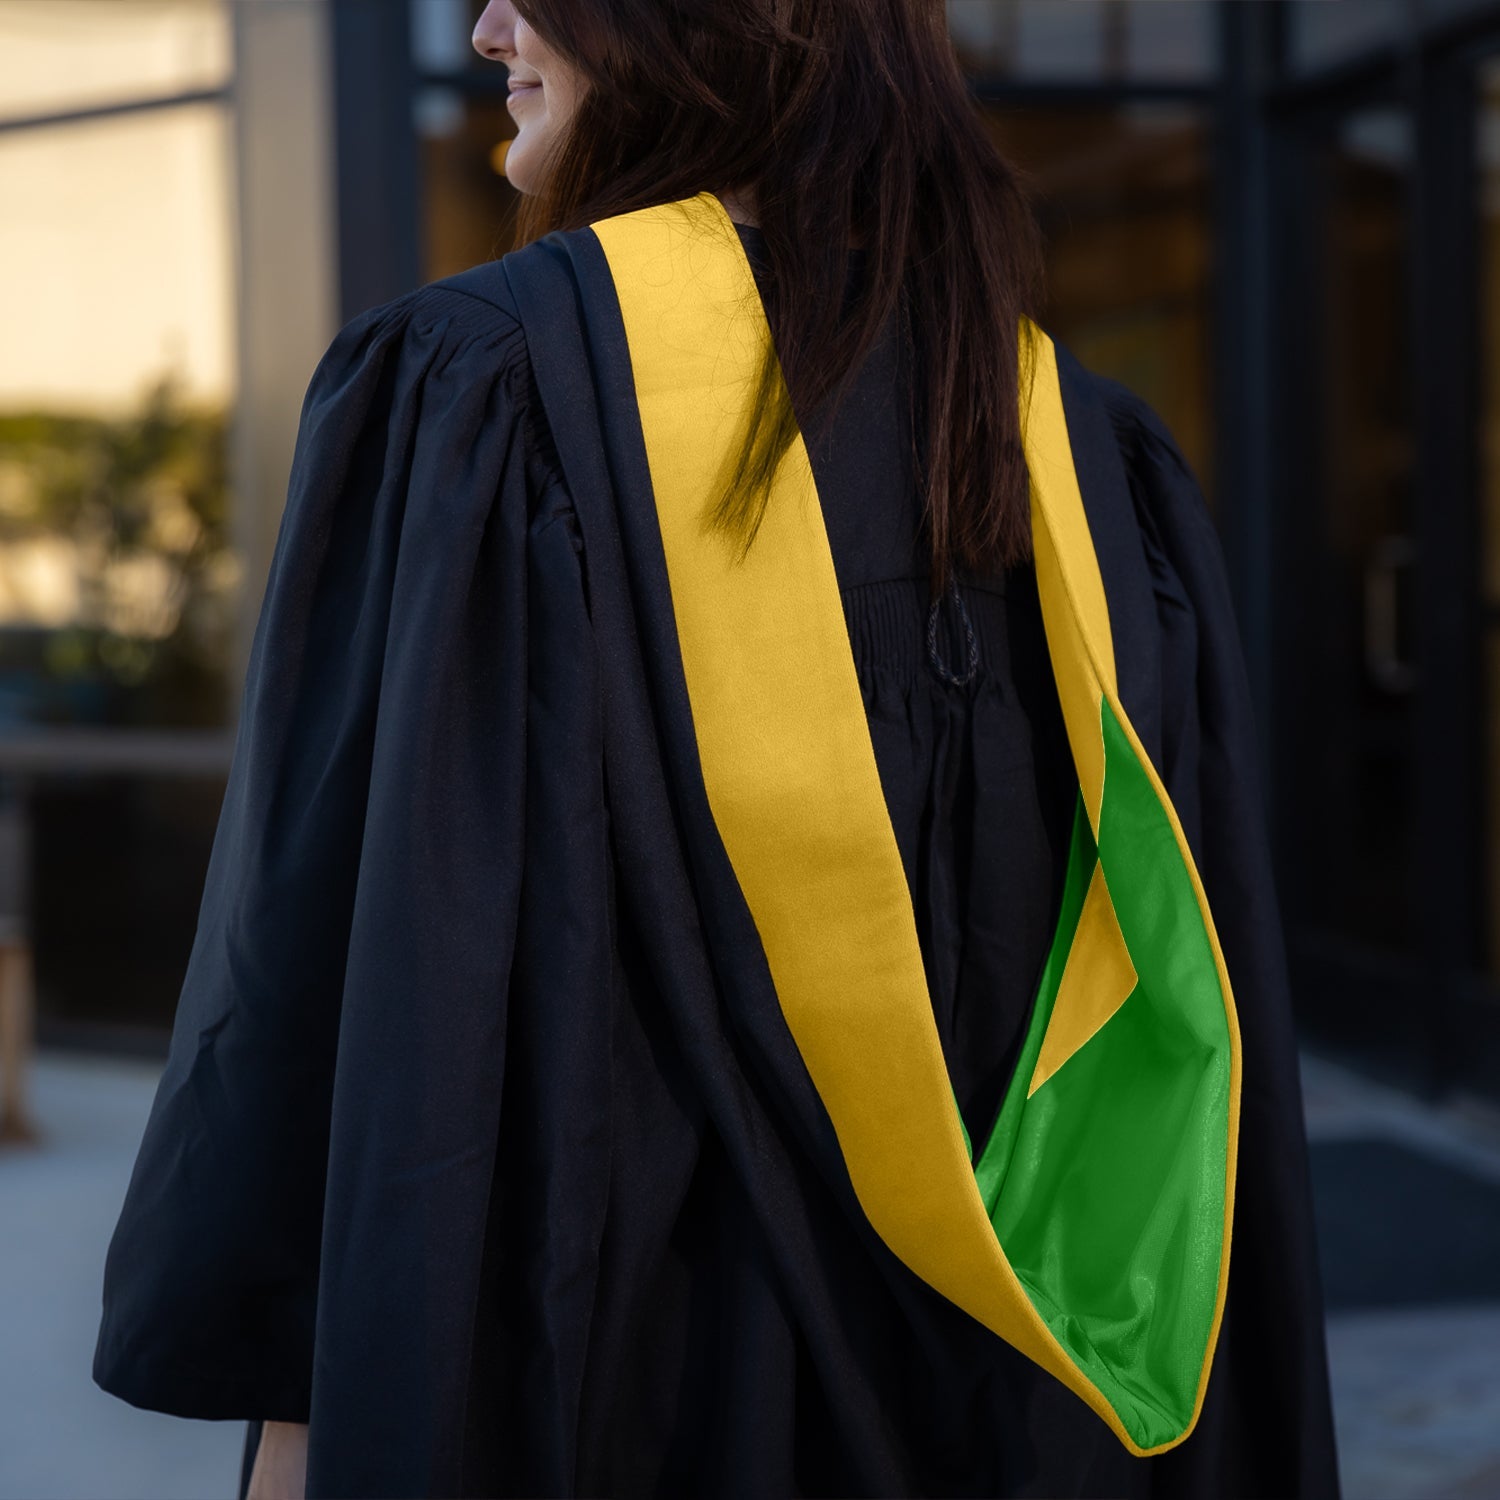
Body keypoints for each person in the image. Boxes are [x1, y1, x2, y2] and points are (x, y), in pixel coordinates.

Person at [92, 3, 1341, 1497]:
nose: (489, 24)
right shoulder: (1081, 456)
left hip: (618, 1394)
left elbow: (327, 1011)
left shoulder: (482, 396)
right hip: (1026, 1416)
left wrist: (295, 1439)